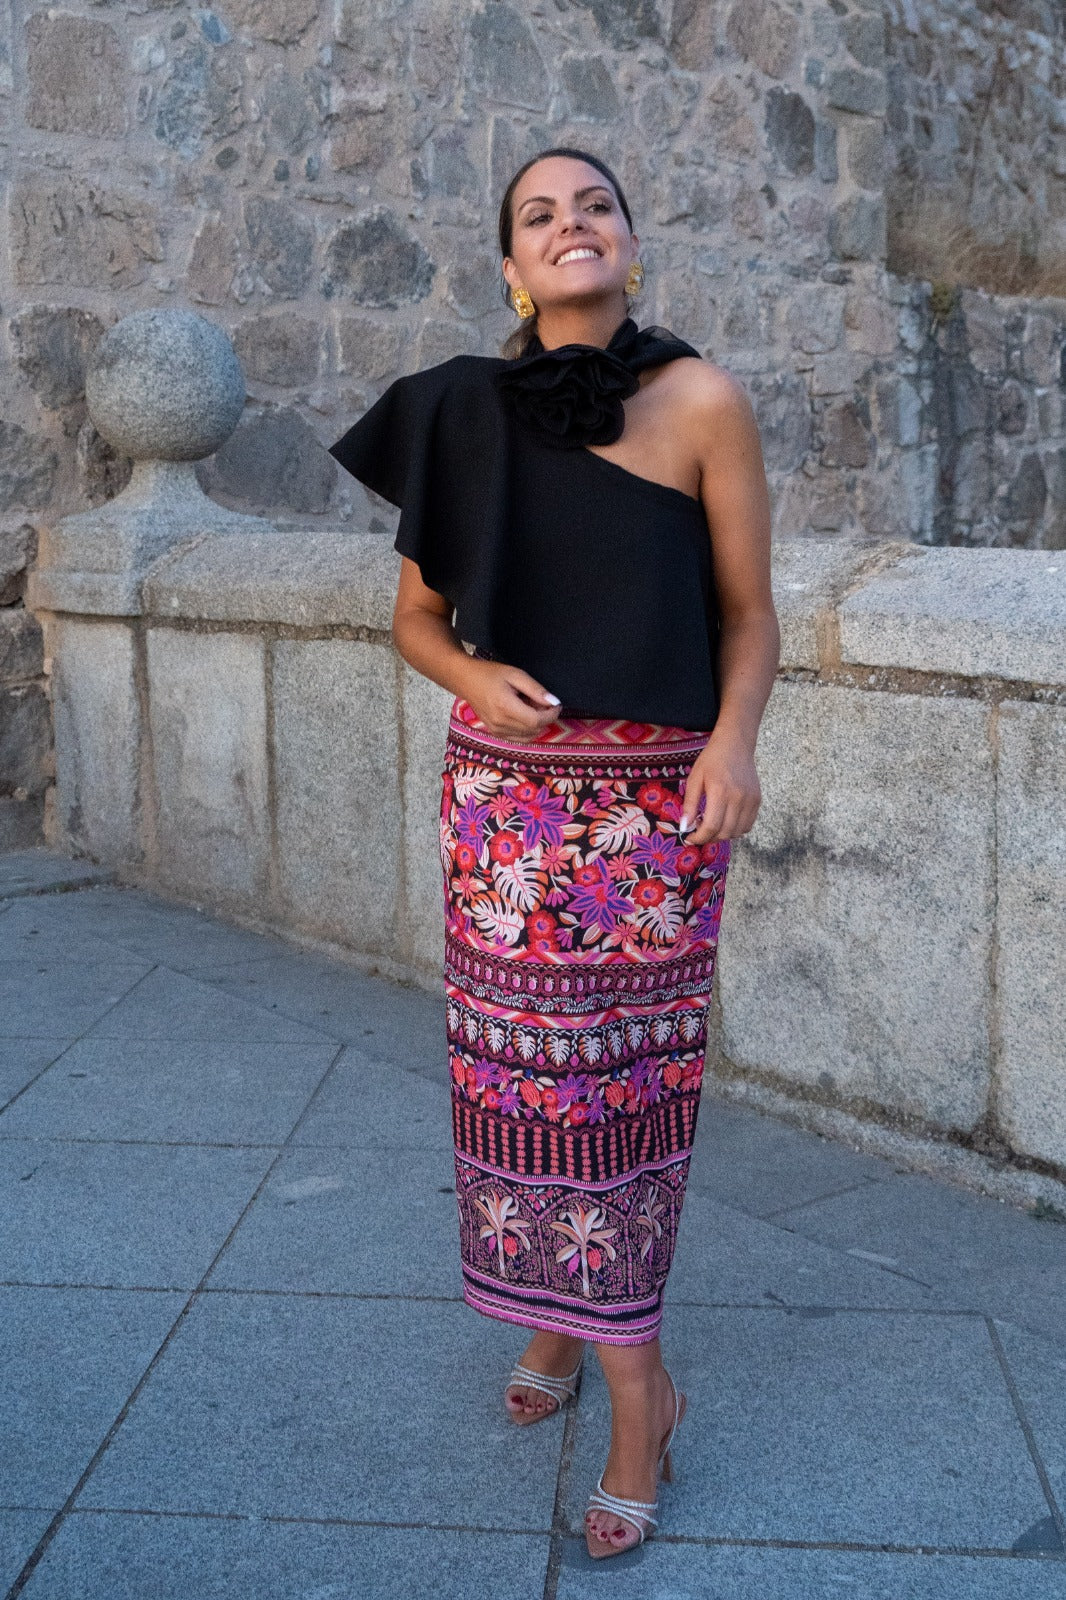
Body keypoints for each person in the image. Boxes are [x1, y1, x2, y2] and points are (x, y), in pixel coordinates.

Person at [329, 146, 779, 1562]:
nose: (570, 224)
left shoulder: (700, 400)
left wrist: (732, 745)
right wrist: (476, 681)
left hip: (653, 816)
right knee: (514, 1082)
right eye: (539, 214)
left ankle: (642, 1396)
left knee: (621, 1094)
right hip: (505, 809)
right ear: (514, 266)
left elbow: (749, 613)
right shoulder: (455, 408)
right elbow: (417, 622)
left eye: (595, 205)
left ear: (629, 244)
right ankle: (554, 1317)